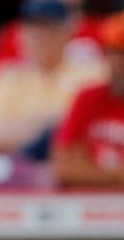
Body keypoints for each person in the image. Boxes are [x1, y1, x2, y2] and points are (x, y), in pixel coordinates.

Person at [0, 0, 105, 157]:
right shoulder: (9, 77)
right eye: (33, 31)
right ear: (21, 35)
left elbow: (96, 130)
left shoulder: (92, 72)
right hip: (22, 171)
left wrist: (27, 125)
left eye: (50, 30)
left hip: (76, 168)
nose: (40, 38)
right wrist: (55, 123)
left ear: (68, 33)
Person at [51, 12, 124, 187]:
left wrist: (88, 167)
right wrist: (118, 176)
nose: (121, 61)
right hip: (86, 204)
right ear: (106, 55)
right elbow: (63, 168)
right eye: (118, 52)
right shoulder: (88, 98)